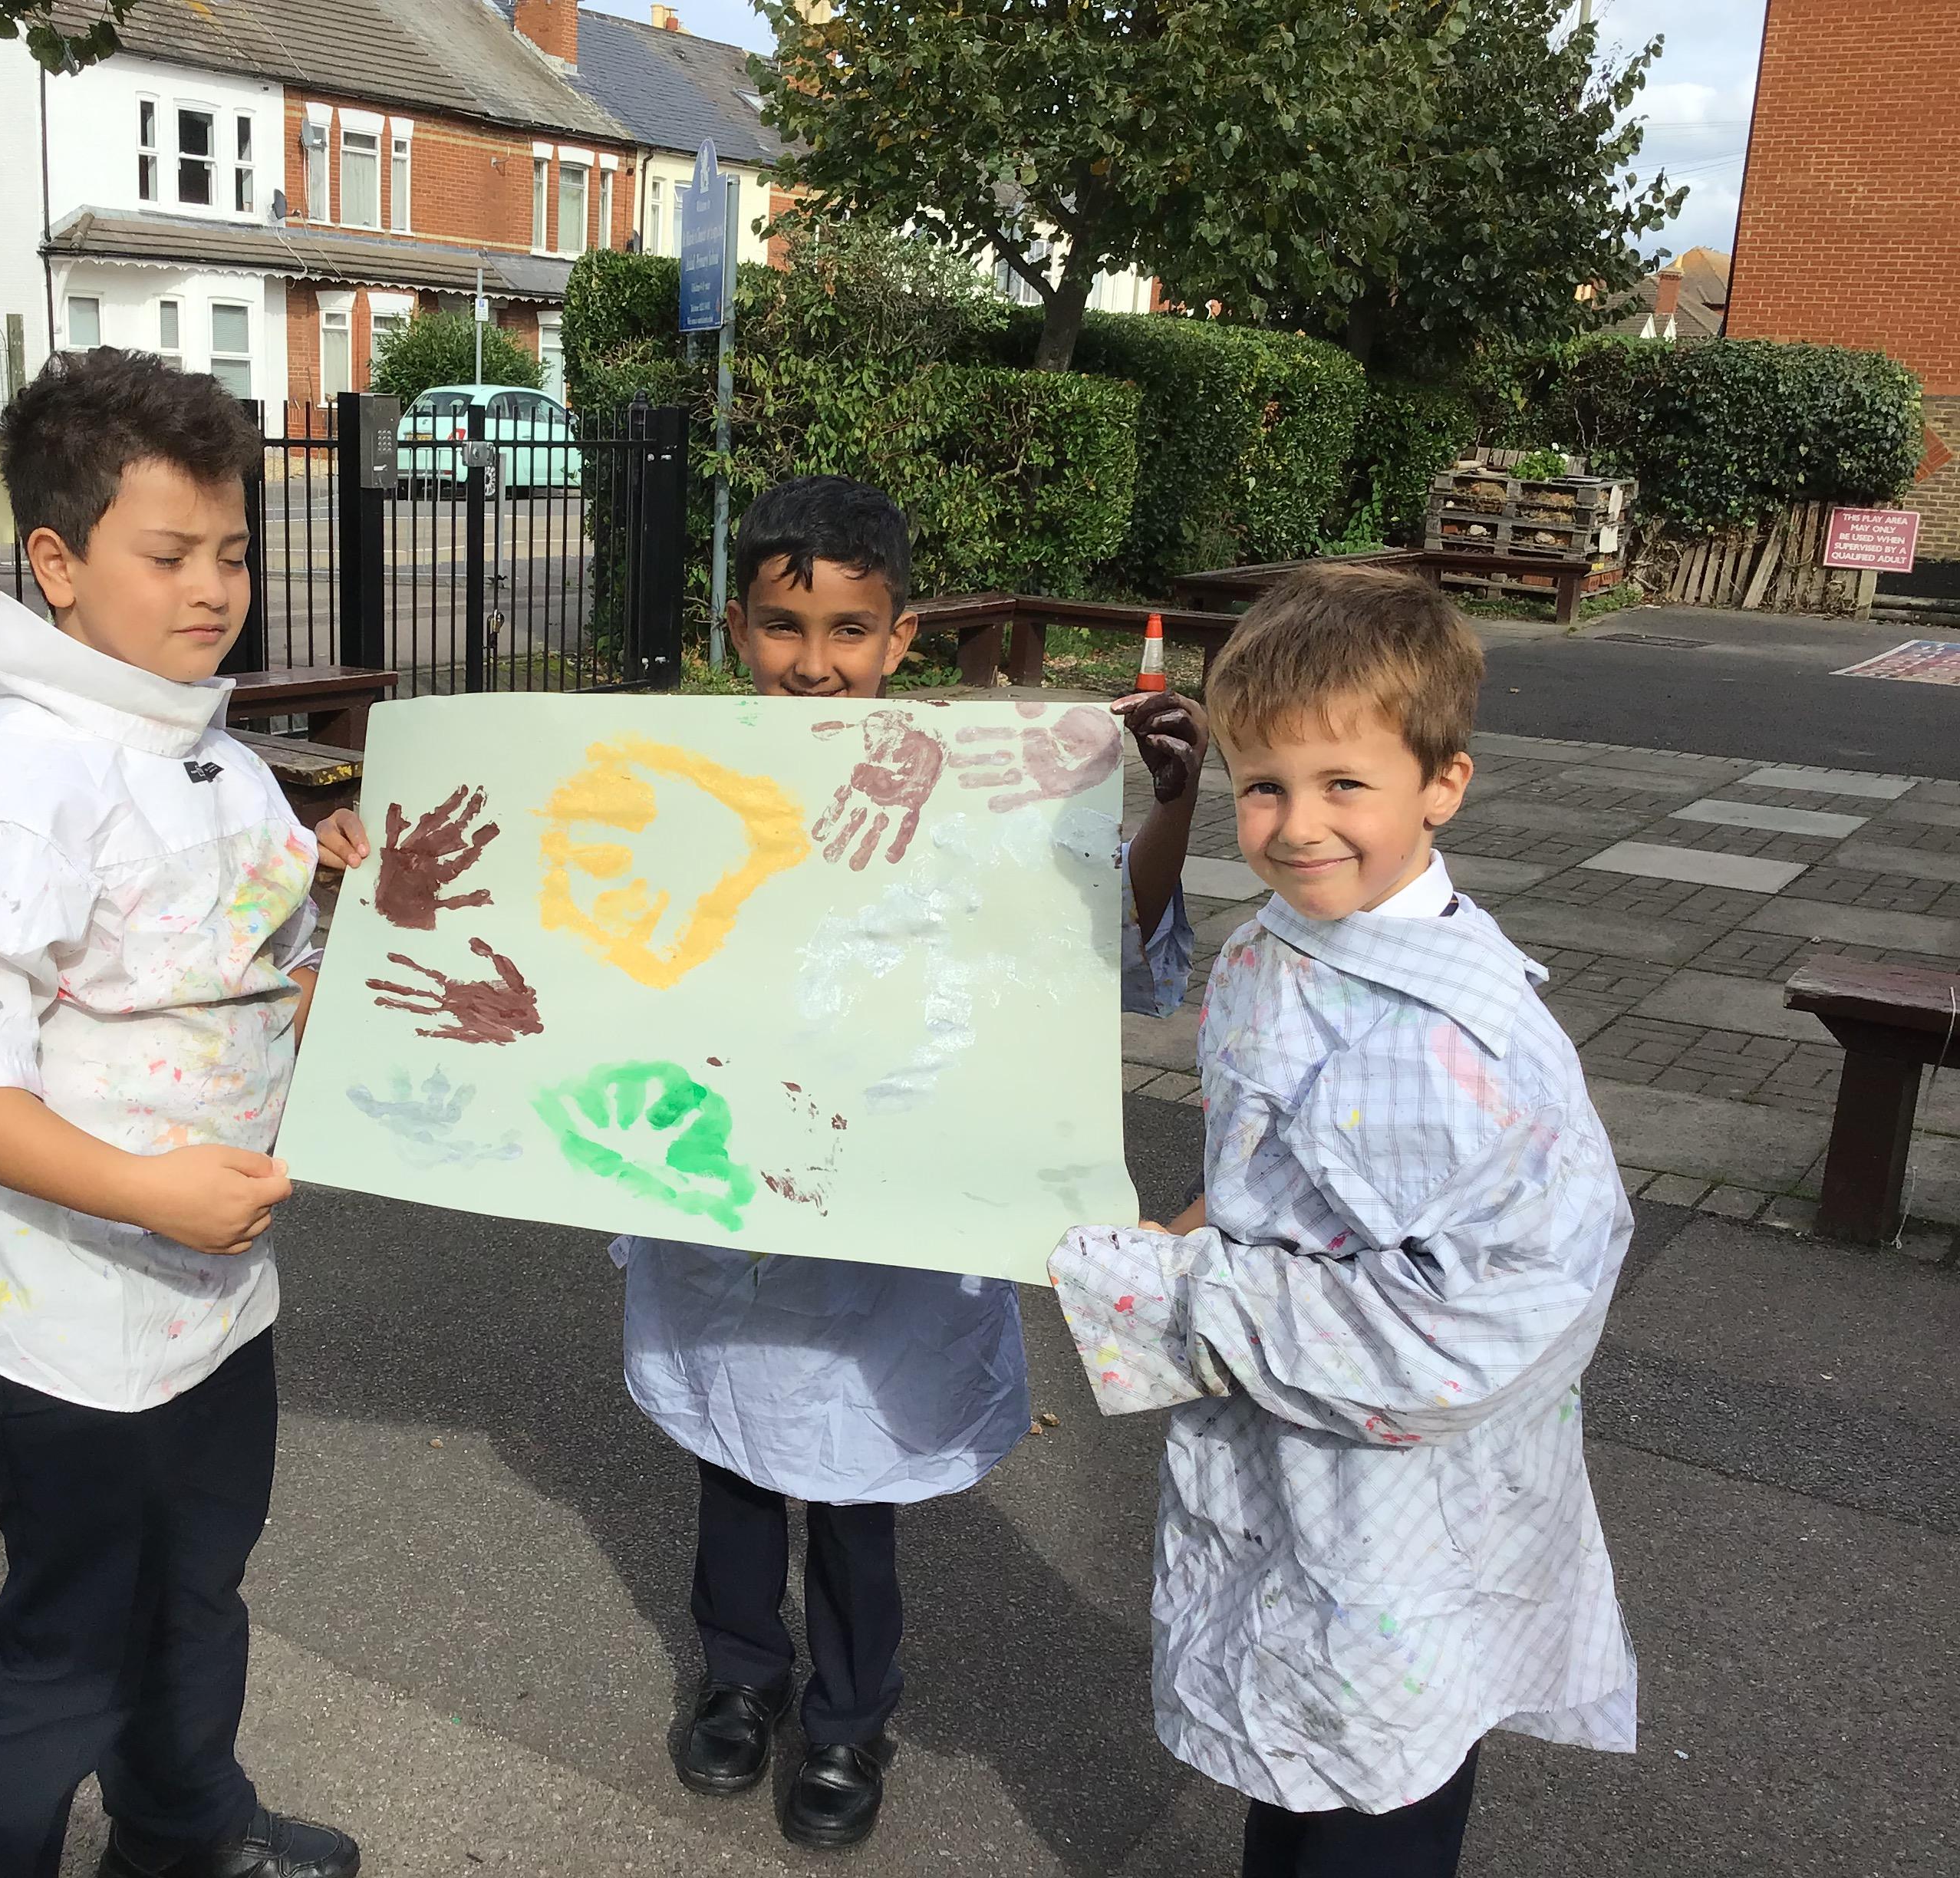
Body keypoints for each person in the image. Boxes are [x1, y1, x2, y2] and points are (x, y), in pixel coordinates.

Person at [614, 476, 1207, 1850]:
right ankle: (739, 1676)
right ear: (734, 628)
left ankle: (846, 1715)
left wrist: (1171, 808)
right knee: (733, 1462)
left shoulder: (965, 793)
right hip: (725, 1206)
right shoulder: (678, 783)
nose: (813, 662)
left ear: (902, 637)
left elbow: (1096, 945)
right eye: (782, 627)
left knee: (854, 1480)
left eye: (848, 630)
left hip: (889, 1222)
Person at [0, 348, 370, 1878]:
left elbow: (260, 979)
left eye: (234, 551)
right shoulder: (23, 782)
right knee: (68, 1653)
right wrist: (151, 1196)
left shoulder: (212, 752)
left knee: (199, 1592)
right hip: (67, 1319)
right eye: (168, 554)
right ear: (58, 564)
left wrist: (351, 901)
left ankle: (183, 1832)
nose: (213, 588)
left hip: (213, 1293)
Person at [1046, 564, 1636, 1878]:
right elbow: (1266, 1178)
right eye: (1264, 786)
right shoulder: (1276, 945)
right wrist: (1176, 1238)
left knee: (1380, 1790)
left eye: (1344, 784)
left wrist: (1172, 1296)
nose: (1298, 825)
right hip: (1293, 1458)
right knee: (1296, 1768)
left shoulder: (1465, 1045)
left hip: (1402, 1504)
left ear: (1443, 784)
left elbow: (1480, 1329)